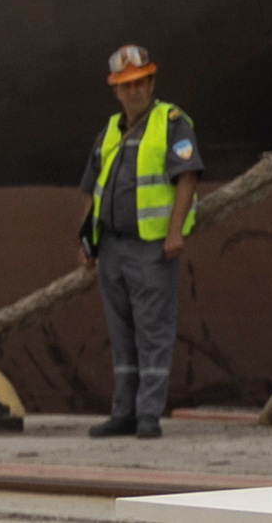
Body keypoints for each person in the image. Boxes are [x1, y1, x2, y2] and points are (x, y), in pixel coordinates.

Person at [82, 40, 197, 438]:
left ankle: (148, 414)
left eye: (142, 82)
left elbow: (187, 178)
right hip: (111, 248)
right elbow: (94, 192)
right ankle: (123, 412)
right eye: (127, 84)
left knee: (153, 331)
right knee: (122, 334)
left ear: (152, 83)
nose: (135, 90)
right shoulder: (109, 133)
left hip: (151, 246)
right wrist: (87, 244)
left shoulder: (172, 123)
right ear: (116, 90)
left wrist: (174, 232)